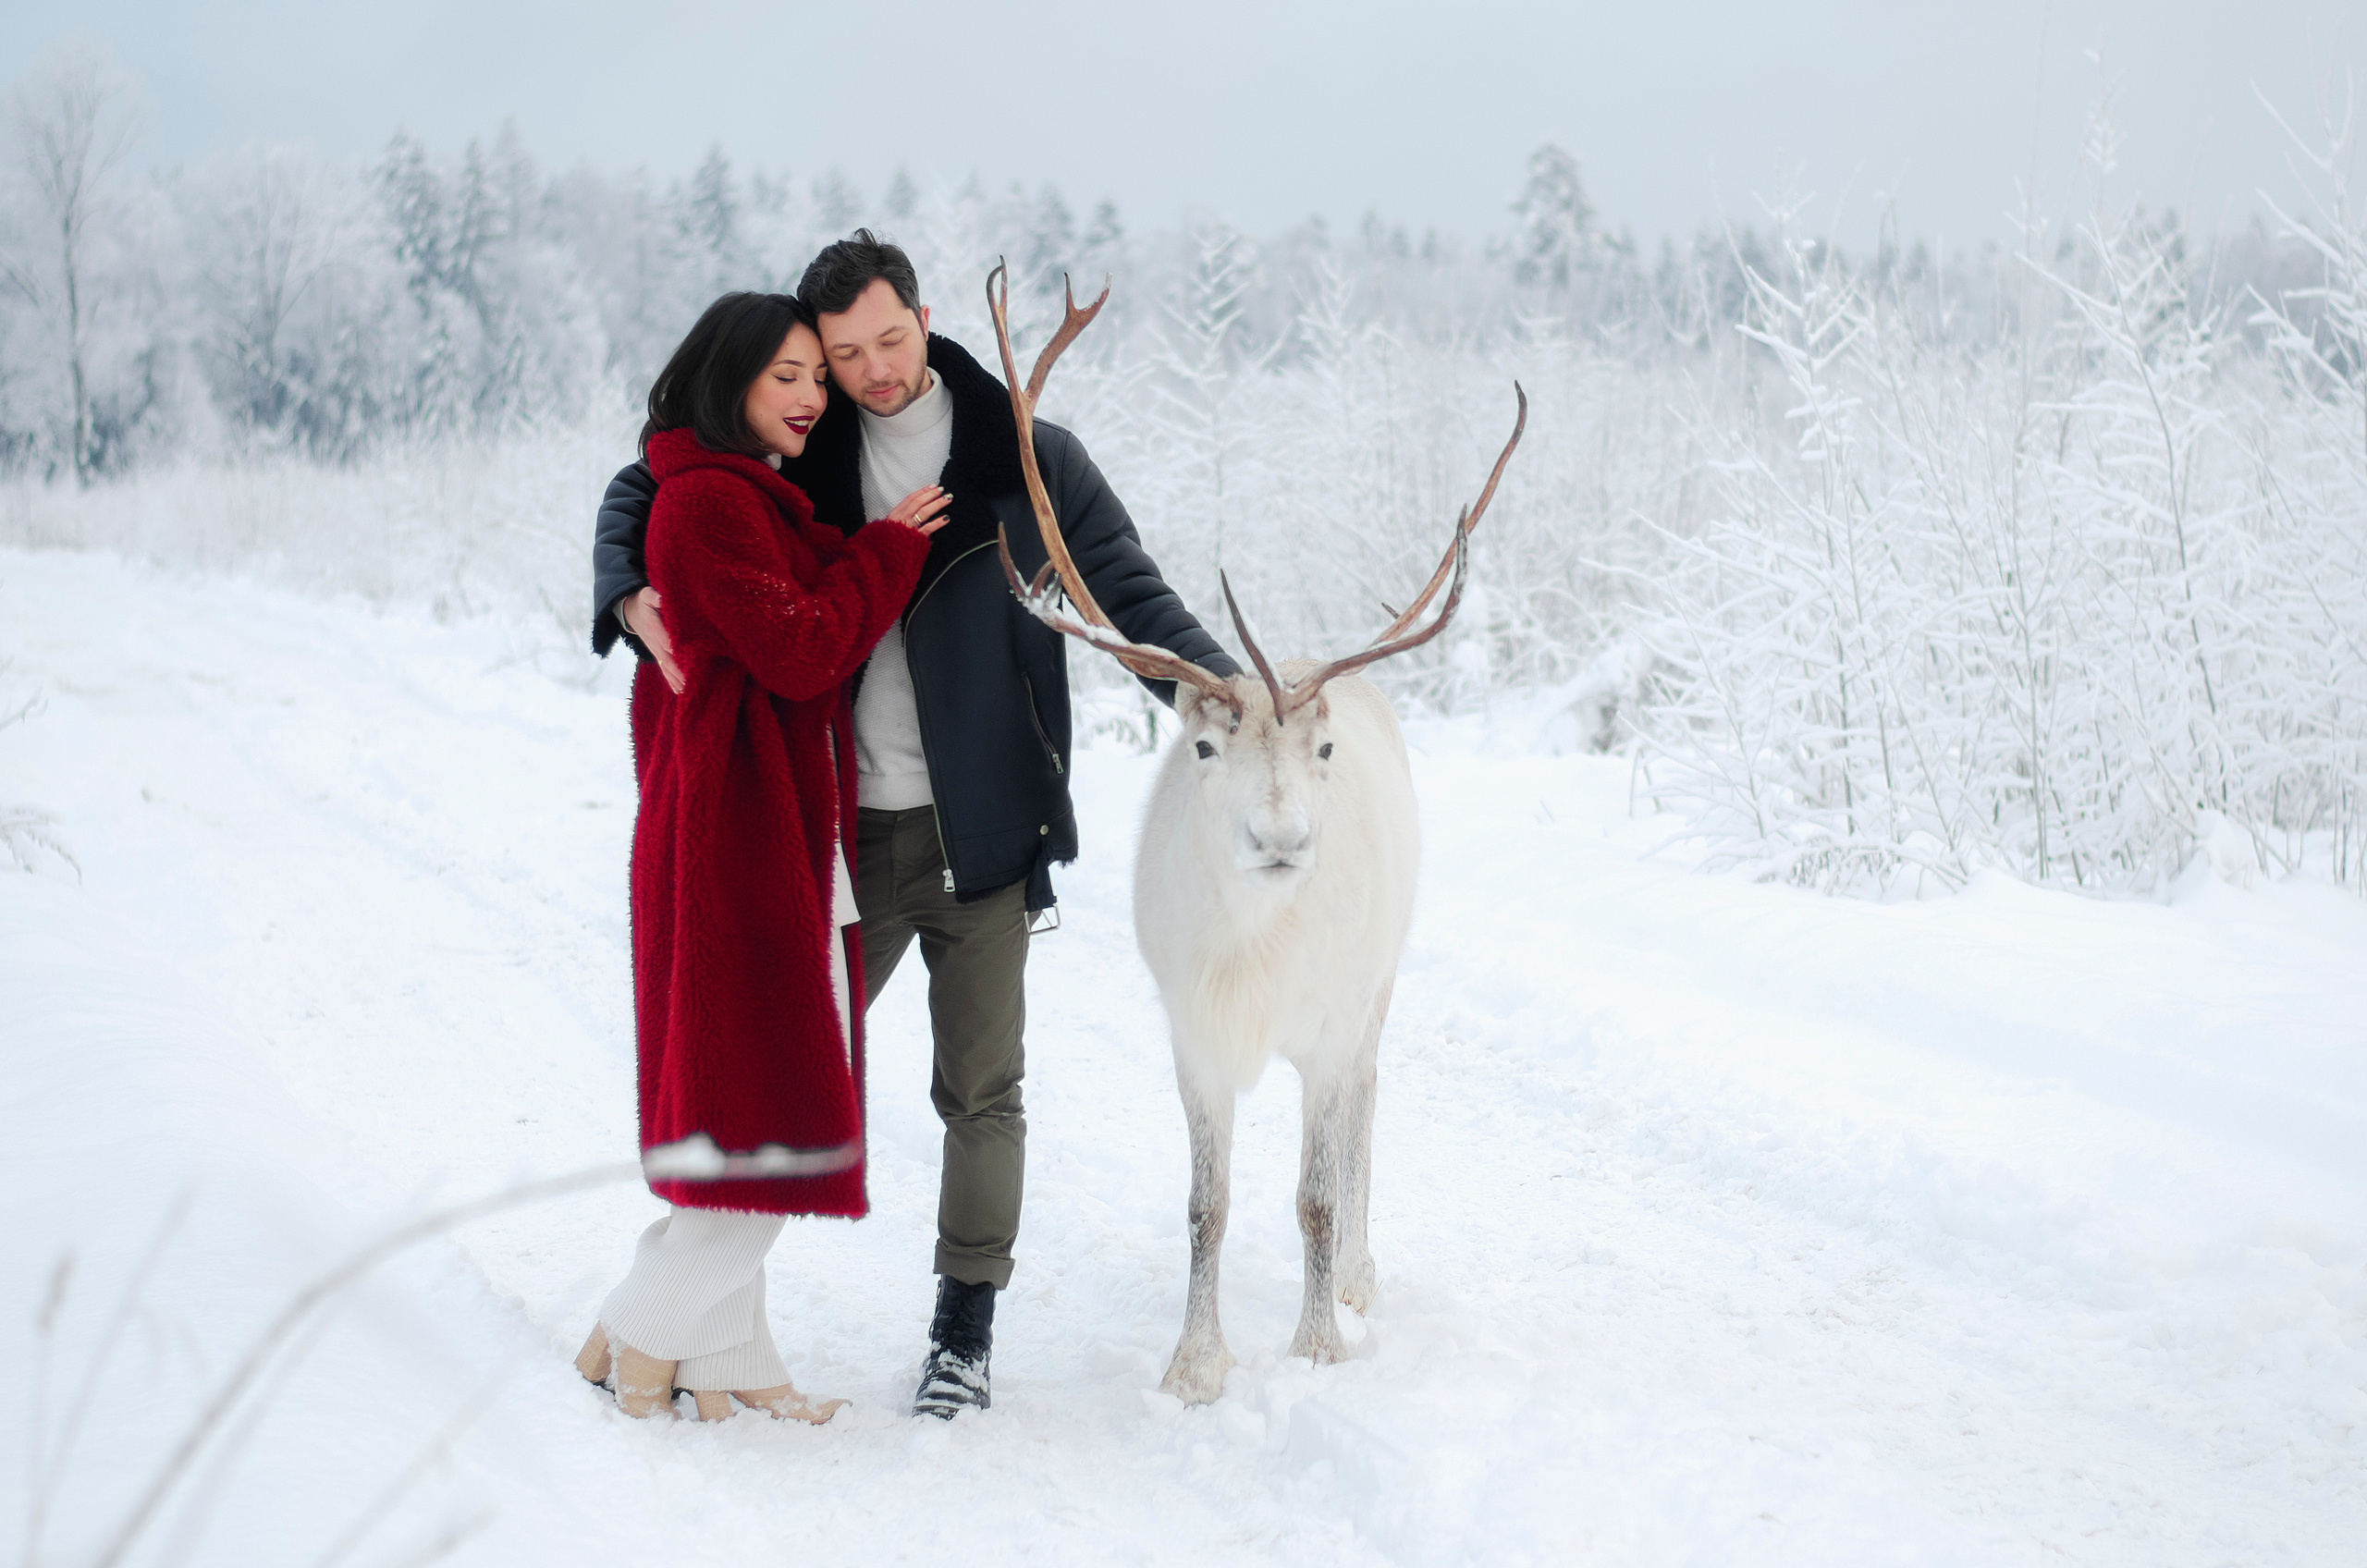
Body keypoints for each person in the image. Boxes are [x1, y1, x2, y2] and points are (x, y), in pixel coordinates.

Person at [591, 231, 1238, 1417]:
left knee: (983, 1093)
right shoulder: (808, 442)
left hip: (981, 828)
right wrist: (624, 589)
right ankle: (677, 1314)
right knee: (771, 1079)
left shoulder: (1022, 455)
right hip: (834, 835)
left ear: (925, 320)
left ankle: (961, 1331)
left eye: (890, 340)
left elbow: (1127, 584)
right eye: (844, 355)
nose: (873, 371)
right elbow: (656, 480)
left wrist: (1229, 699)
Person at [572, 289, 949, 1421]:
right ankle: (637, 1328)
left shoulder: (744, 491)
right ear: (726, 376)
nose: (812, 395)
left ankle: (731, 1358)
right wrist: (885, 553)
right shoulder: (706, 503)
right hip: (742, 837)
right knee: (772, 1117)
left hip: (768, 823)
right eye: (787, 374)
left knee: (746, 1107)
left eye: (816, 377)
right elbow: (800, 648)